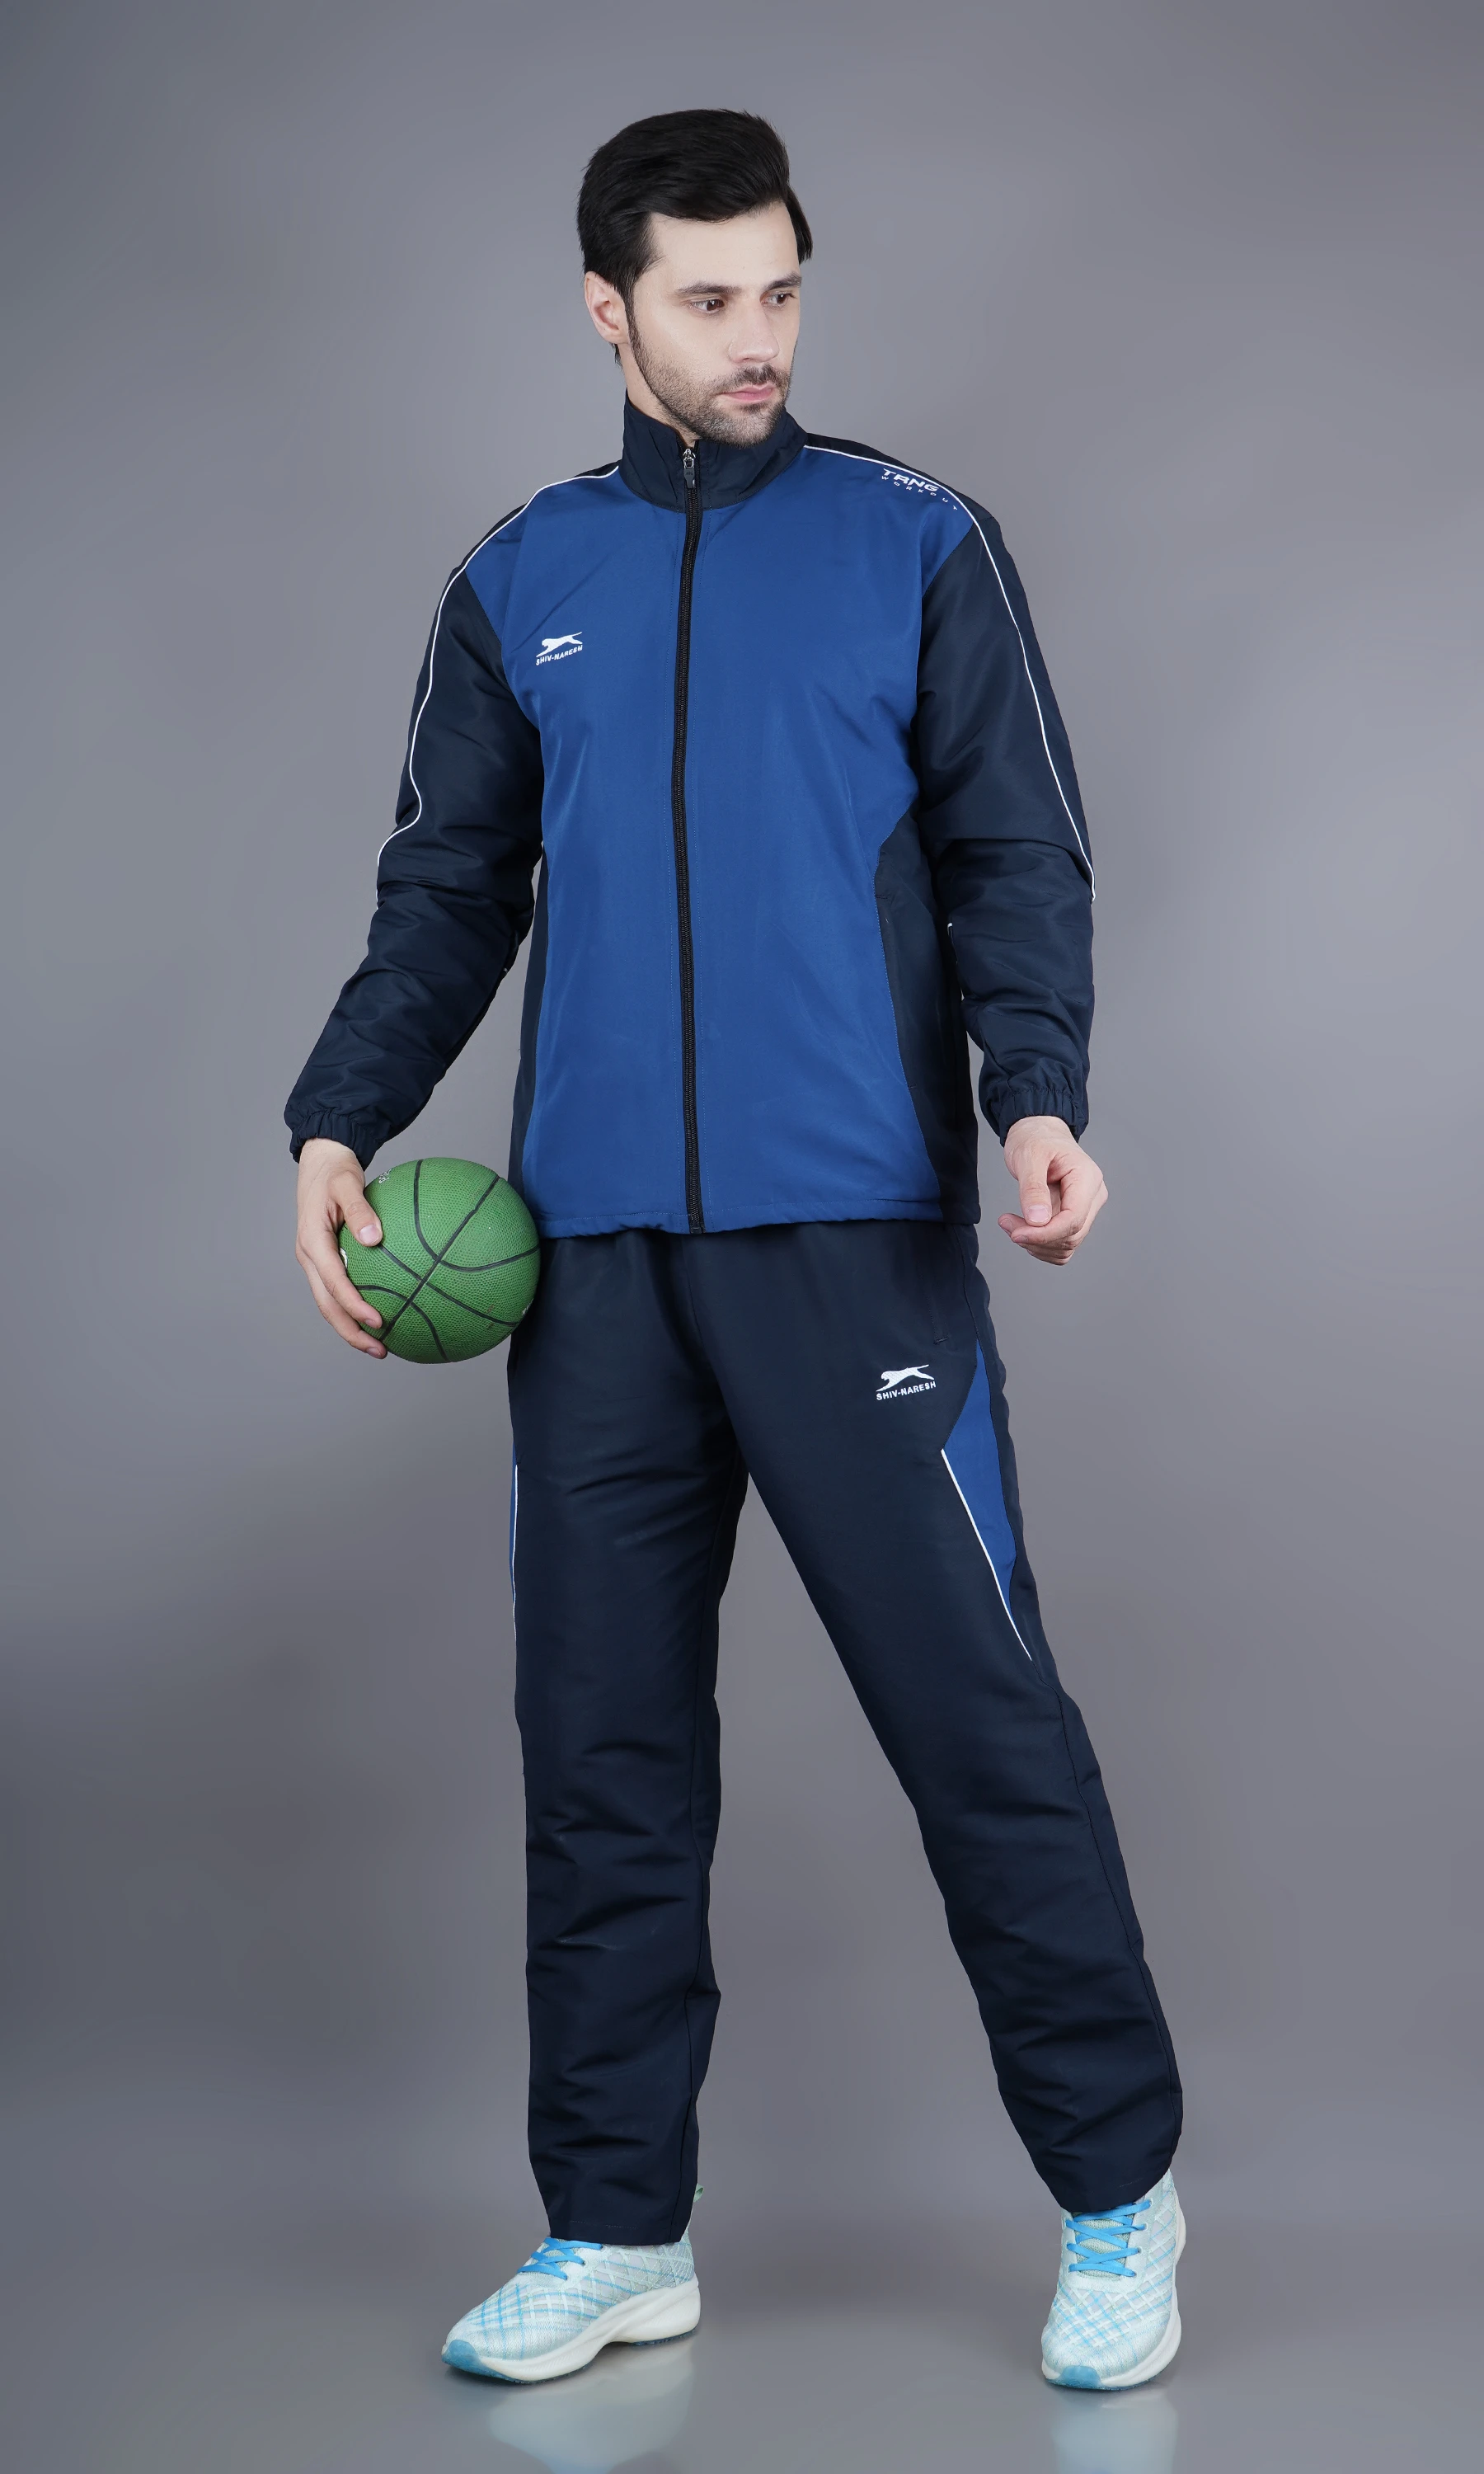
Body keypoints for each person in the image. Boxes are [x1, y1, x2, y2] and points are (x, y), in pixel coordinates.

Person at [286, 108, 1184, 2392]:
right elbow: (445, 889)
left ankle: (1119, 2197)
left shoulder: (918, 544)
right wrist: (337, 1117)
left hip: (852, 1238)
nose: (757, 334)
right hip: (591, 1263)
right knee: (600, 1752)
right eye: (708, 299)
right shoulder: (522, 577)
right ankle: (616, 2225)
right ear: (609, 309)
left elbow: (1020, 852)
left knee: (977, 1723)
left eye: (780, 288)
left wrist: (1039, 1091)